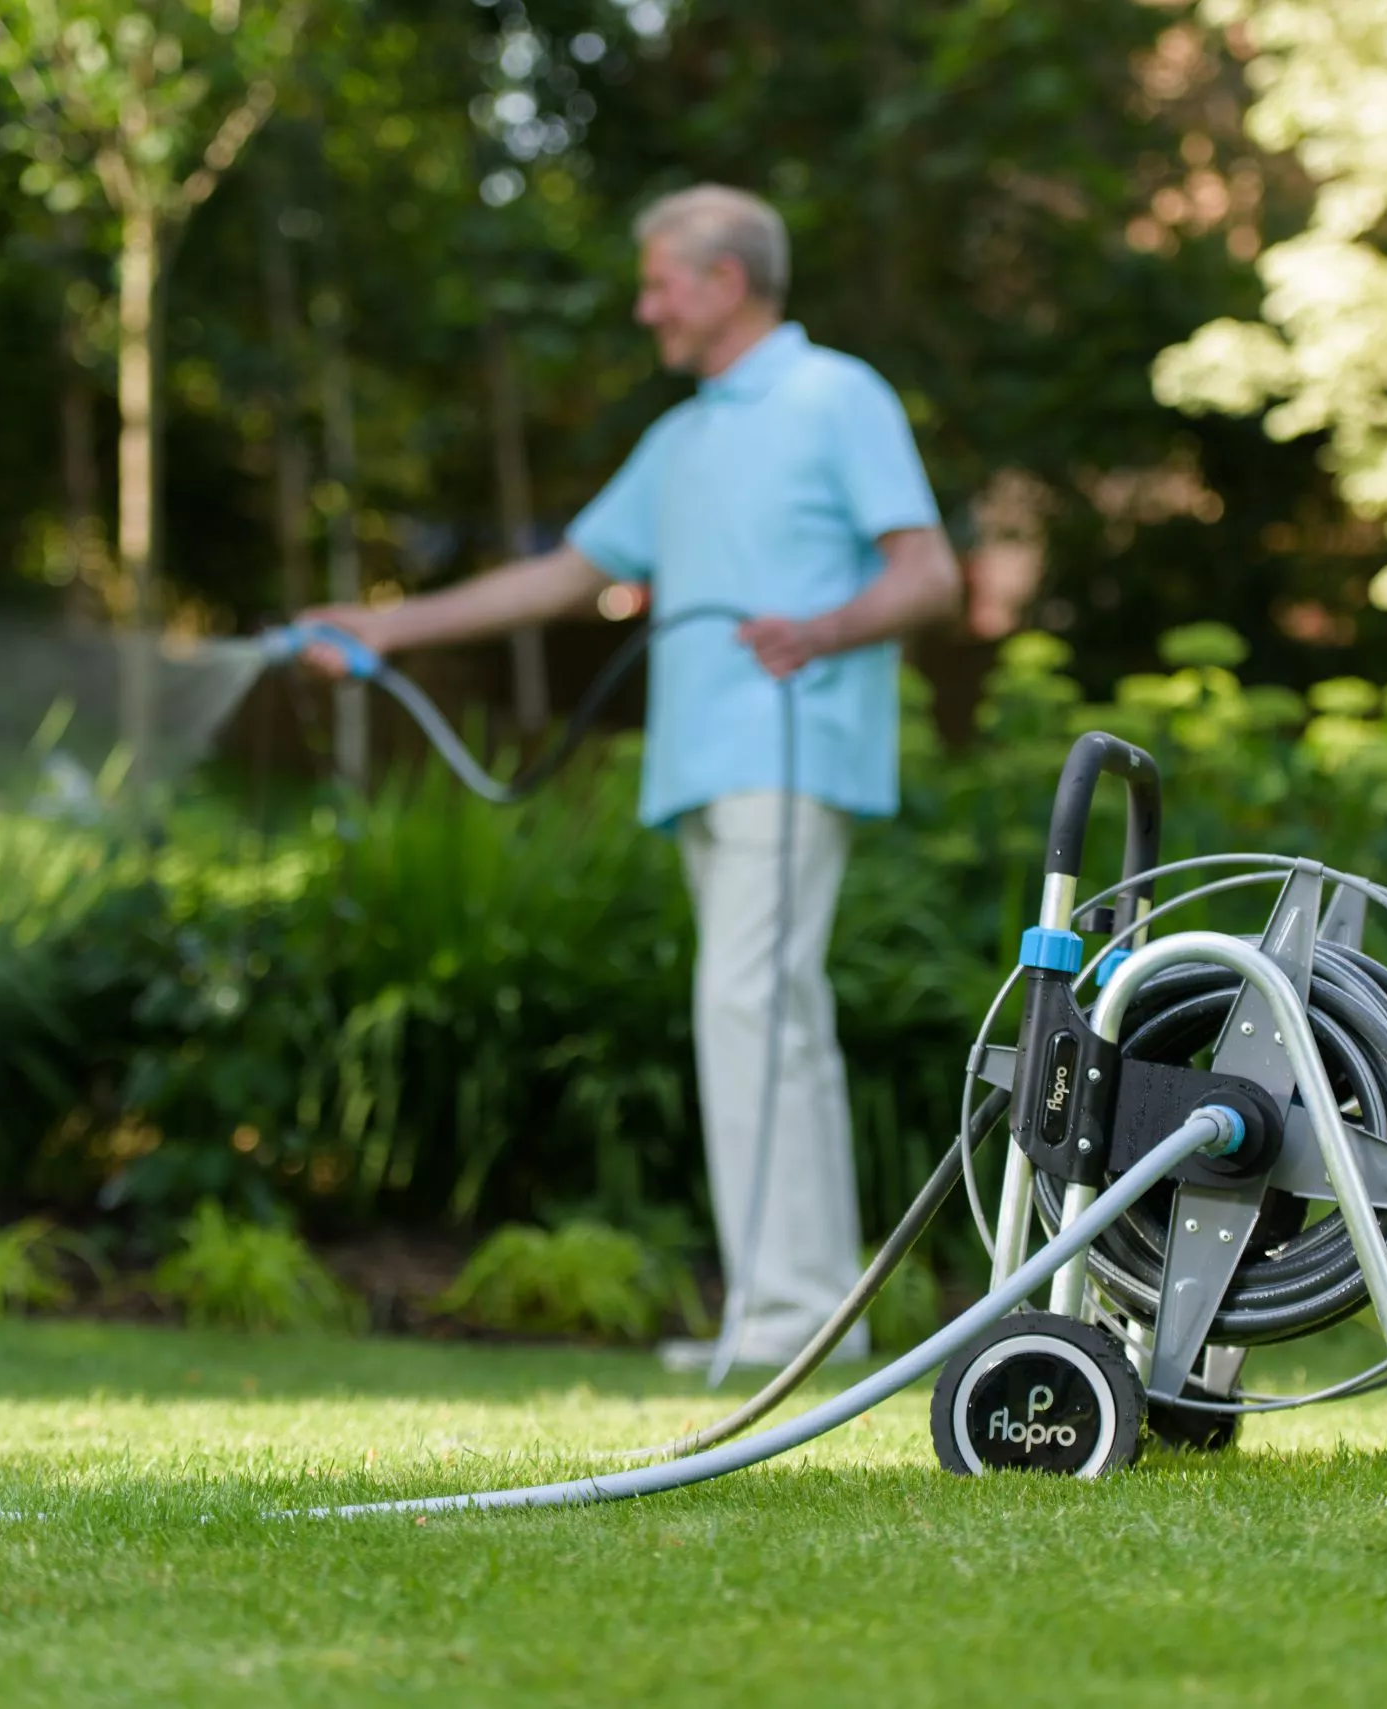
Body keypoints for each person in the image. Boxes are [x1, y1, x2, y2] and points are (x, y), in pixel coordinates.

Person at [299, 184, 961, 1367]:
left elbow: (928, 576)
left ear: (724, 281)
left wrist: (821, 626)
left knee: (752, 1009)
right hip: (703, 763)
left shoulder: (833, 395)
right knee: (770, 1021)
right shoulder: (685, 436)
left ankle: (784, 1321)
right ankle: (801, 1313)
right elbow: (561, 577)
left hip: (791, 741)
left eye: (659, 280)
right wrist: (388, 628)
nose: (644, 304)